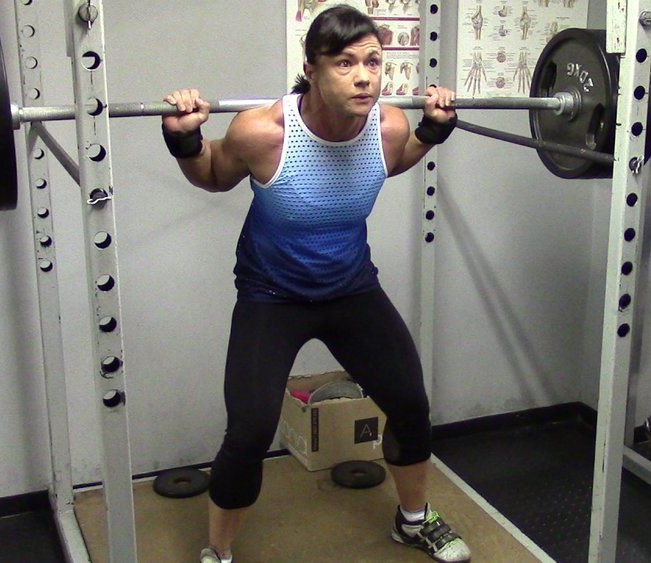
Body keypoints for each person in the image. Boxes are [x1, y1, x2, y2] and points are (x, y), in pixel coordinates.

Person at [161, 5, 469, 563]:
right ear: (312, 68)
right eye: (345, 62)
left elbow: (392, 161)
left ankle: (413, 520)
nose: (364, 76)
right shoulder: (263, 132)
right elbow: (211, 176)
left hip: (351, 291)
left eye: (373, 62)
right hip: (271, 297)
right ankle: (219, 552)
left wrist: (432, 131)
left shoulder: (389, 125)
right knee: (249, 432)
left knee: (410, 405)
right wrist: (185, 141)